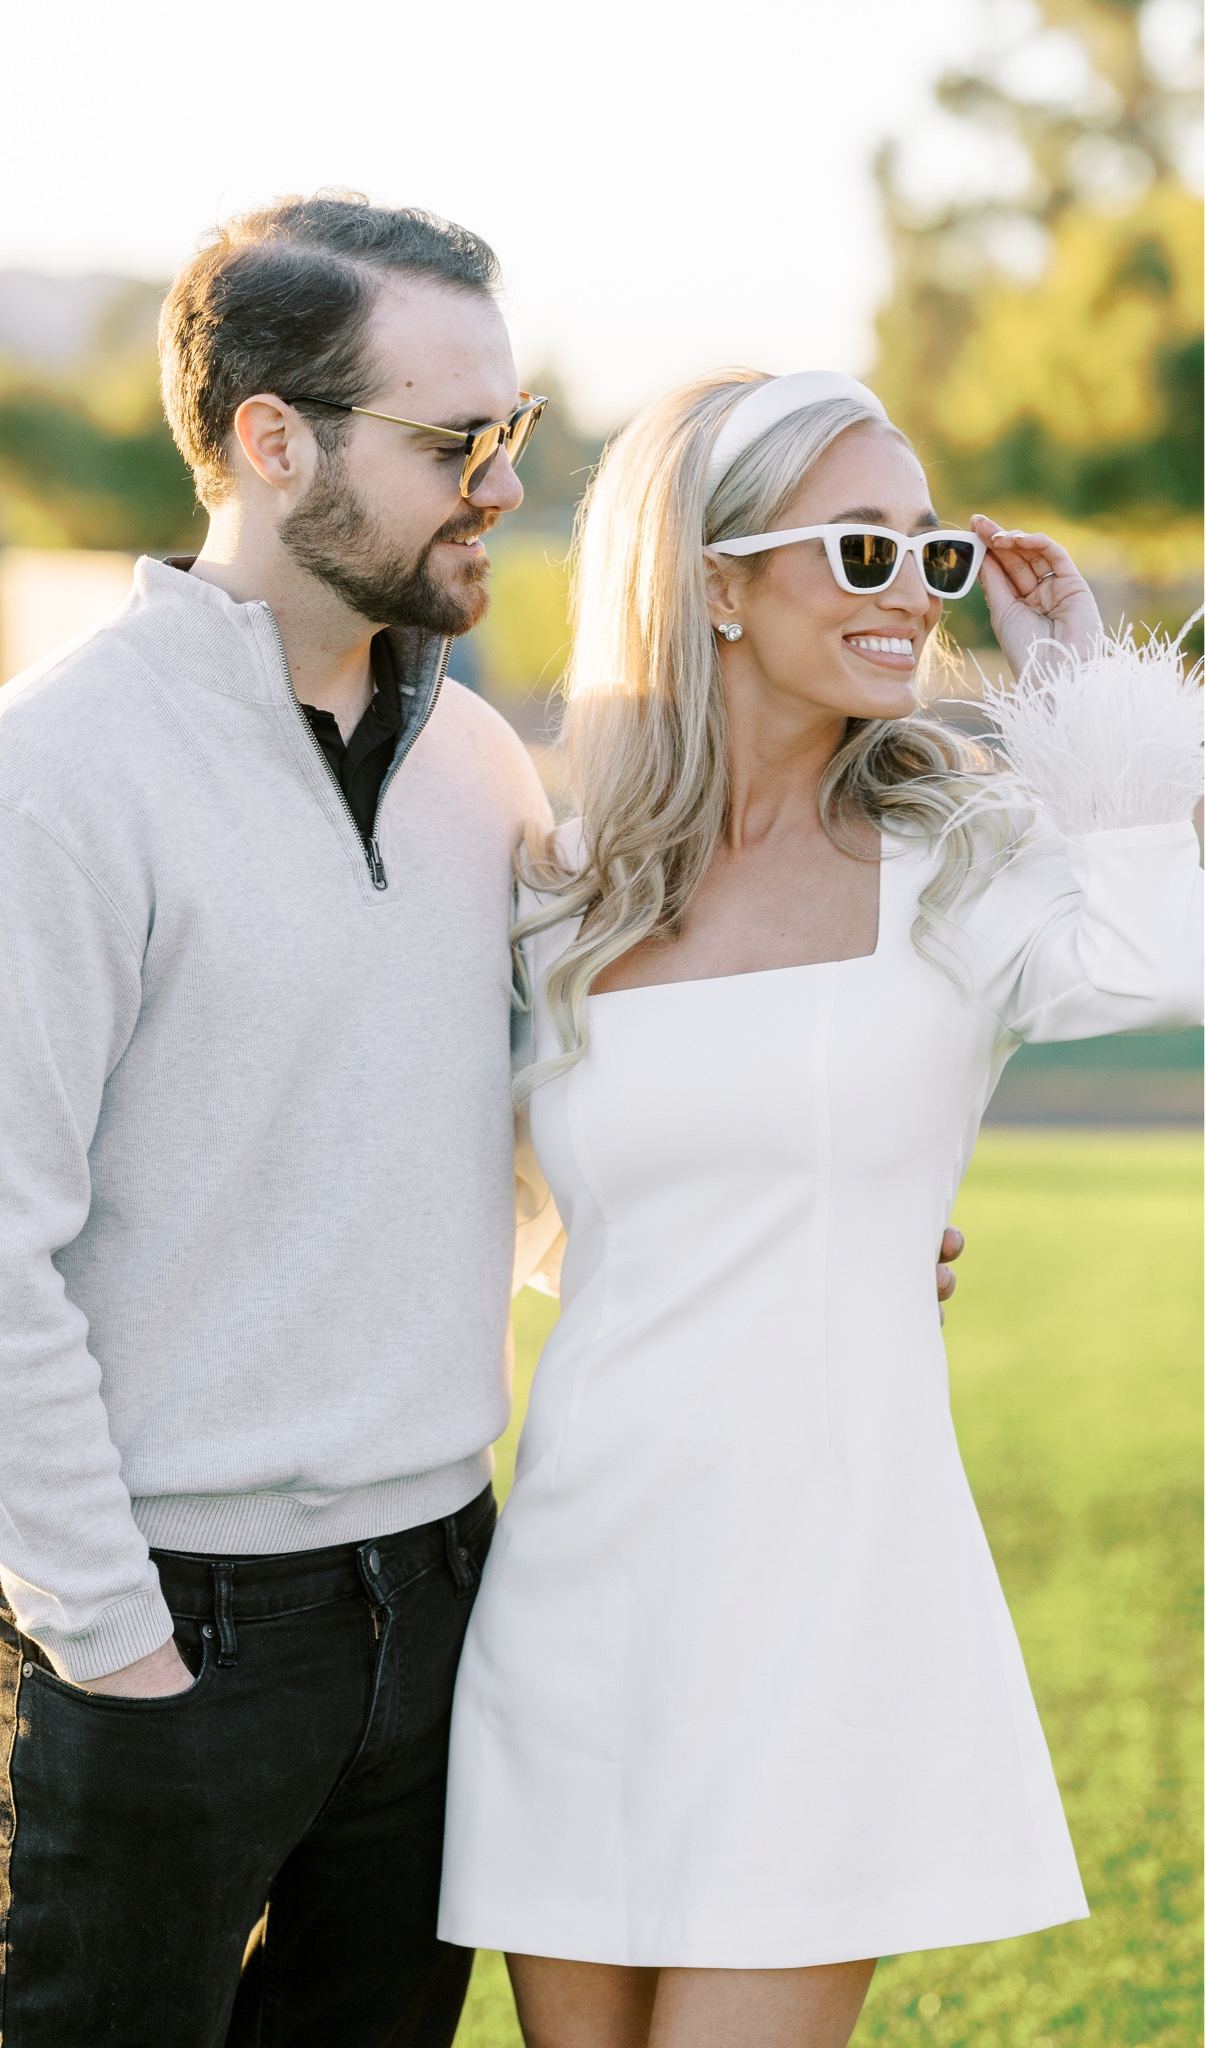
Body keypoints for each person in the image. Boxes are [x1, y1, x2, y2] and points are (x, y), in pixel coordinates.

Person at [438, 369, 1203, 2048]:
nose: (908, 596)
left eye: (926, 556)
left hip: (833, 1594)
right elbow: (524, 1215)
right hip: (581, 1594)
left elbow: (1165, 955)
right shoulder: (557, 886)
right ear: (712, 579)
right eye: (858, 549)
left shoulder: (961, 858)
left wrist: (1076, 681)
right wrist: (788, 1235)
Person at [0, 192, 553, 2048]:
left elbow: (513, 1135)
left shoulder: (477, 762)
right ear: (272, 440)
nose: (498, 481)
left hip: (439, 1595)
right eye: (450, 441)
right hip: (157, 1634)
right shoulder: (51, 778)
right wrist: (116, 1638)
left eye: (514, 429)